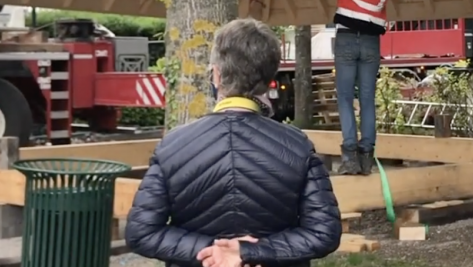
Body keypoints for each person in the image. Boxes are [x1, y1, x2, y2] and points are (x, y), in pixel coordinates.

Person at [125, 18, 342, 267]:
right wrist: (250, 252)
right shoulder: (297, 146)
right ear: (270, 74)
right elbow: (323, 233)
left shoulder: (173, 145)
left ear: (216, 74)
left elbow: (142, 232)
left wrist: (211, 253)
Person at [330, 0, 398, 175]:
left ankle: (349, 158)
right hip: (371, 42)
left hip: (346, 38)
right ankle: (367, 158)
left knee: (346, 98)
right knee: (367, 99)